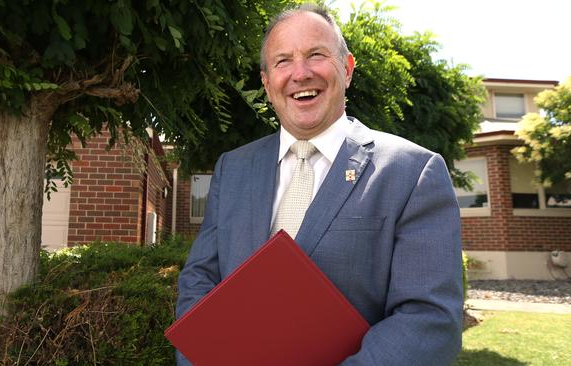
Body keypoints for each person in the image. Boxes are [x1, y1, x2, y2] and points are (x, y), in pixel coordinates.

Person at [176, 4, 463, 365]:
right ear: (267, 84)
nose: (300, 73)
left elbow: (429, 321)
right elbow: (200, 280)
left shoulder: (413, 172)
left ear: (347, 68)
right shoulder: (232, 169)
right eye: (282, 61)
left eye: (316, 54)